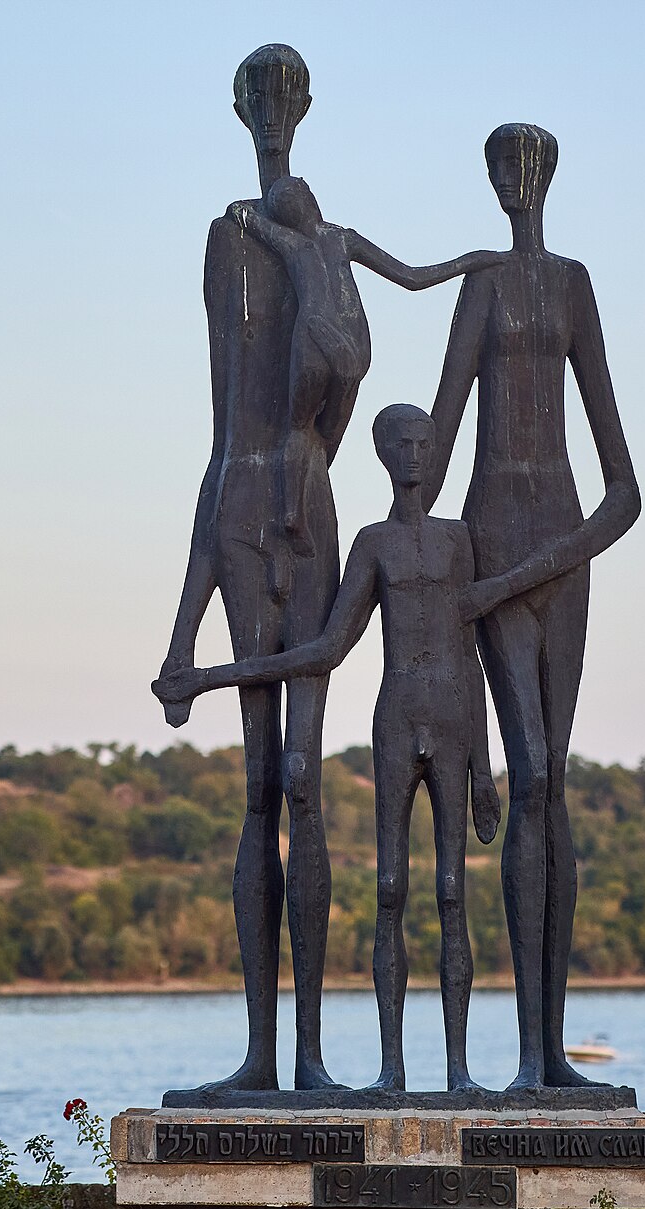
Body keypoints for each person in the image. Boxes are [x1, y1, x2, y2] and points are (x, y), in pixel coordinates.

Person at [157, 45, 500, 1095]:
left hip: (303, 501)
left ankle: (309, 1052)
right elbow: (221, 431)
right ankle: (266, 1052)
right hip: (243, 508)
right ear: (244, 111)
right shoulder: (226, 245)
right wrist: (183, 626)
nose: (274, 118)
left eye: (286, 102)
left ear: (299, 113)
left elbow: (343, 373)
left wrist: (313, 256)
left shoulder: (318, 245)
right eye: (262, 102)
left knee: (305, 779)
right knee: (262, 784)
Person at [156, 404, 502, 1092]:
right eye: (400, 443)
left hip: (457, 723)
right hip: (397, 721)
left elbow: (474, 656)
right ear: (381, 453)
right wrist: (215, 675)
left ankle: (460, 1071)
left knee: (453, 891)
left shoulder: (460, 542)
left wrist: (487, 770)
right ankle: (392, 1072)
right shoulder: (373, 544)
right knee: (389, 889)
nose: (413, 455)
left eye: (424, 444)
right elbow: (324, 649)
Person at [430, 123, 642, 1091]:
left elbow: (626, 489)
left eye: (525, 166)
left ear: (546, 177)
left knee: (554, 779)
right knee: (528, 777)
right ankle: (526, 1055)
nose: (511, 181)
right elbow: (432, 448)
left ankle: (552, 1052)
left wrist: (558, 554)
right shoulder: (478, 287)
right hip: (491, 539)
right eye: (497, 168)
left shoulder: (572, 285)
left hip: (559, 548)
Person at [230, 177, 504, 571]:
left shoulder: (292, 243)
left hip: (310, 337)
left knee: (298, 426)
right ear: (312, 199)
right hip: (350, 344)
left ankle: (292, 510)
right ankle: (310, 483)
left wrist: (246, 207)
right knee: (325, 436)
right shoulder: (342, 239)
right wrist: (471, 261)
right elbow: (412, 277)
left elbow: (242, 217)